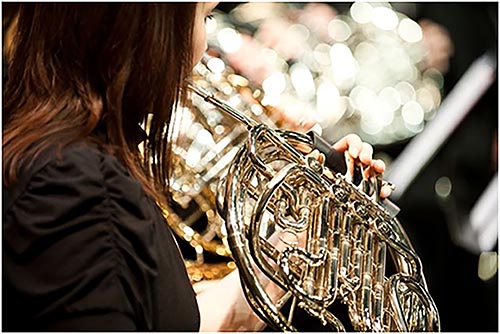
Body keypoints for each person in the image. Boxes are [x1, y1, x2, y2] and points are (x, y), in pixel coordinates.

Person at [2, 3, 390, 331]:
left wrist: (295, 246)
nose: (204, 52)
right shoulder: (75, 186)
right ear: (149, 27)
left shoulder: (77, 163)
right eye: (203, 17)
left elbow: (168, 322)